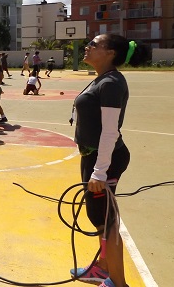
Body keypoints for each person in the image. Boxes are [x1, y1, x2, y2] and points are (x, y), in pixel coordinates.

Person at [69, 34, 149, 287]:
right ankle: (103, 268)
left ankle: (119, 282)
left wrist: (100, 172)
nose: (88, 47)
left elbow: (110, 131)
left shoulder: (112, 83)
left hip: (106, 159)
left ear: (110, 52)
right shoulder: (102, 80)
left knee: (107, 222)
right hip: (93, 157)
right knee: (98, 216)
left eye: (95, 44)